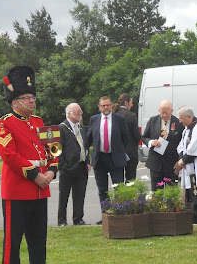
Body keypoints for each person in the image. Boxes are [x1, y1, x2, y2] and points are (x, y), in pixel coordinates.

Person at [0, 66, 62, 264]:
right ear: (15, 101)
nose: (32, 101)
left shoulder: (39, 121)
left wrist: (52, 171)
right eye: (27, 97)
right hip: (18, 191)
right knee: (13, 241)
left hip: (40, 190)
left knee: (38, 238)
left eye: (32, 97)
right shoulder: (4, 124)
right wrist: (35, 175)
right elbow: (10, 156)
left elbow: (53, 149)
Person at [87, 96, 129, 224]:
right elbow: (89, 138)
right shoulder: (94, 119)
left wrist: (120, 151)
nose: (106, 108)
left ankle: (119, 214)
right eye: (103, 105)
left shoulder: (119, 119)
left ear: (111, 106)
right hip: (100, 159)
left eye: (108, 105)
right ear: (99, 107)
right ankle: (105, 215)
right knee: (102, 190)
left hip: (115, 158)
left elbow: (125, 138)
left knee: (119, 189)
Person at [57, 103, 91, 226]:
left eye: (80, 111)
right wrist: (62, 165)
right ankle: (62, 220)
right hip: (67, 168)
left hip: (81, 166)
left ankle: (78, 218)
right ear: (69, 114)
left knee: (80, 194)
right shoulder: (62, 127)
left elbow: (85, 146)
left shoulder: (81, 127)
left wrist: (87, 161)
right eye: (77, 112)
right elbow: (58, 149)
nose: (80, 114)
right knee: (64, 195)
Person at [141, 100, 184, 191]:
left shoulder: (178, 123)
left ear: (171, 111)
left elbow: (182, 144)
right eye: (162, 112)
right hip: (156, 164)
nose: (164, 115)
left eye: (167, 113)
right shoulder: (153, 121)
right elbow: (144, 137)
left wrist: (180, 161)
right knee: (156, 194)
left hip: (172, 165)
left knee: (171, 194)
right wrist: (152, 142)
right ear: (159, 110)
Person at [112, 93, 141, 182]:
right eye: (131, 102)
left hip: (116, 152)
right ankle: (129, 196)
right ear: (126, 103)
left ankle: (119, 196)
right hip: (130, 152)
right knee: (130, 180)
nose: (132, 105)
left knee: (118, 181)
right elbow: (137, 135)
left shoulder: (112, 115)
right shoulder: (131, 116)